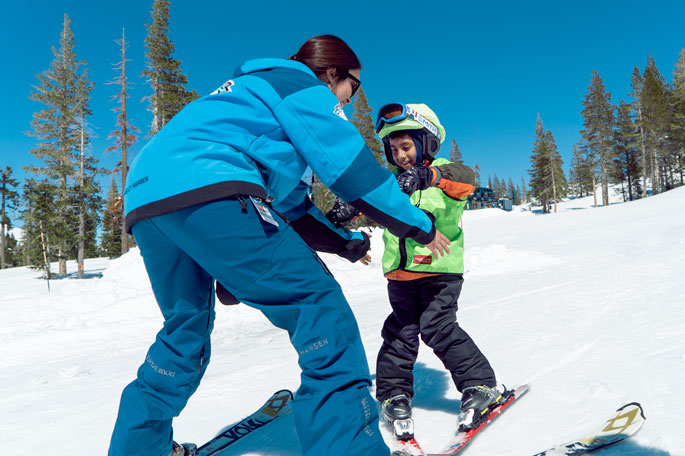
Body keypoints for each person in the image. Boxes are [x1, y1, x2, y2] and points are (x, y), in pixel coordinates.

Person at [108, 36, 451, 456]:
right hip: (213, 186)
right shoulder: (296, 83)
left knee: (184, 329)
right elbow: (350, 168)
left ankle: (140, 449)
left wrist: (345, 244)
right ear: (331, 74)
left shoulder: (250, 99)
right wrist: (419, 225)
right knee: (320, 309)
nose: (348, 98)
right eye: (353, 87)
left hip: (146, 202)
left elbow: (292, 207)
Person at [372, 103, 501, 431]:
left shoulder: (445, 173)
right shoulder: (393, 182)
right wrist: (348, 207)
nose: (401, 155)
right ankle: (393, 393)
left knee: (437, 326)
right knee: (400, 331)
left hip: (440, 272)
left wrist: (430, 176)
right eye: (394, 148)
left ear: (425, 143)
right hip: (400, 274)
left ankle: (479, 384)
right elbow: (372, 201)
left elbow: (466, 179)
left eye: (407, 146)